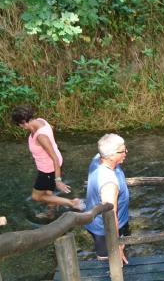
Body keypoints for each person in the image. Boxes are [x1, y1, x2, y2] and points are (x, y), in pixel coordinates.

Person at [11, 105, 81, 216]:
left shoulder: (41, 136)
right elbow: (51, 128)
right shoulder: (40, 121)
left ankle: (72, 203)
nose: (20, 127)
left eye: (19, 124)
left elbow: (54, 158)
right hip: (51, 165)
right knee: (48, 193)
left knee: (36, 196)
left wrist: (58, 180)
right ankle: (50, 213)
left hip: (48, 169)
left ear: (23, 122)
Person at [85, 133, 130, 263]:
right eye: (122, 151)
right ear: (111, 156)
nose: (126, 152)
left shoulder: (98, 158)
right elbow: (110, 215)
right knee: (109, 259)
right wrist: (116, 243)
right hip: (104, 230)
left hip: (109, 222)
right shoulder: (109, 184)